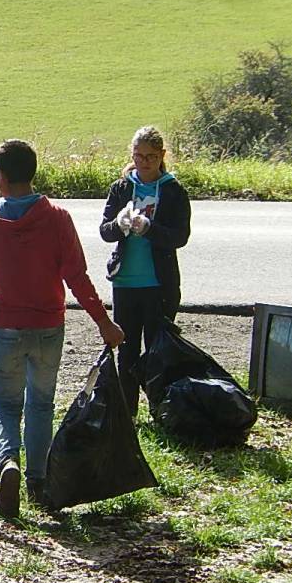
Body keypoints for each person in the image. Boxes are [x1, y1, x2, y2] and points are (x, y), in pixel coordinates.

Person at [0, 140, 124, 518]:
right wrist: (104, 322)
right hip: (48, 326)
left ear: (0, 177)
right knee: (41, 403)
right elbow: (77, 277)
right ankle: (37, 479)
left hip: (5, 328)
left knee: (5, 403)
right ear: (32, 173)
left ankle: (7, 462)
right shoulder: (58, 218)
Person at [99, 125, 192, 417]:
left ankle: (159, 410)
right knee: (126, 351)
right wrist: (121, 225)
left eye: (151, 156)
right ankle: (128, 415)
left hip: (158, 285)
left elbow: (180, 237)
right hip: (126, 282)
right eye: (138, 156)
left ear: (162, 155)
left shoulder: (174, 191)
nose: (144, 162)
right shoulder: (122, 187)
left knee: (157, 352)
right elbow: (105, 232)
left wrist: (150, 229)